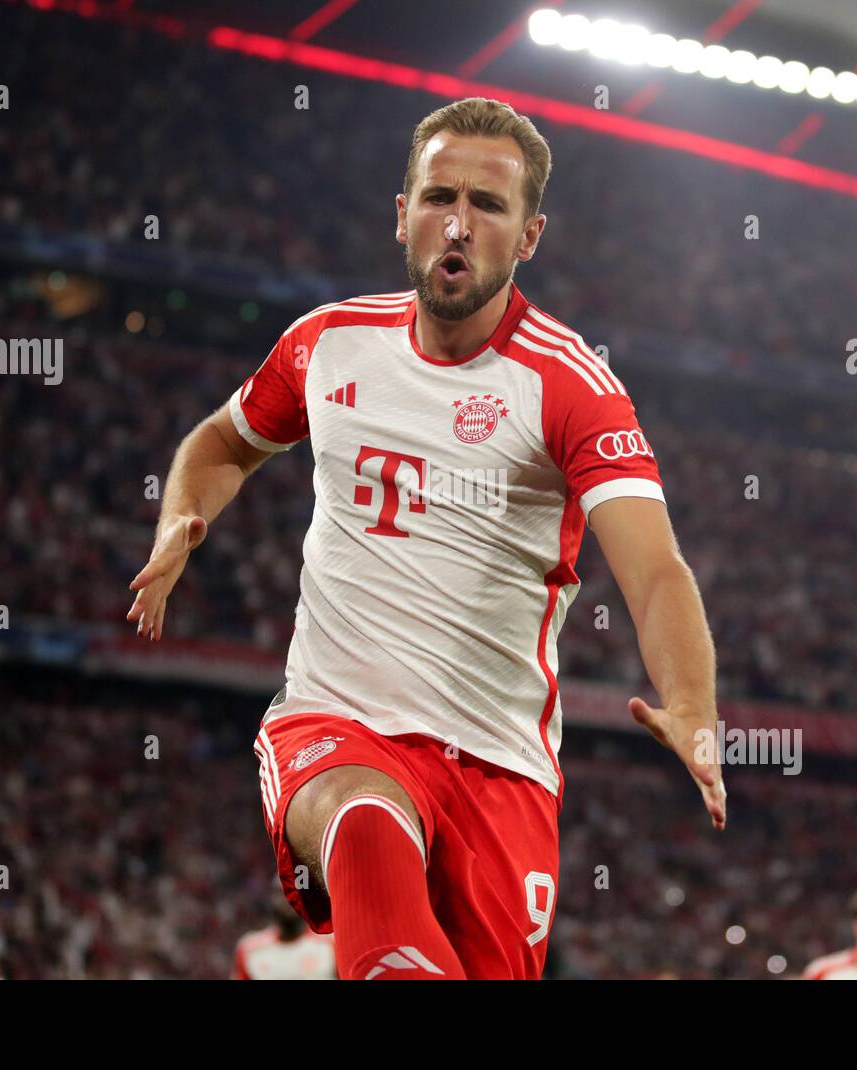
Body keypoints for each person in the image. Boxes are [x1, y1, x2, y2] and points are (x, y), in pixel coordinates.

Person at [128, 96, 725, 980]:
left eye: (488, 205)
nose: (459, 221)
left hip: (499, 769)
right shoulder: (327, 346)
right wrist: (185, 516)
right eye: (439, 195)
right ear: (402, 215)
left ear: (528, 237)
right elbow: (223, 441)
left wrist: (692, 705)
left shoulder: (571, 387)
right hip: (337, 723)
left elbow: (656, 573)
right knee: (365, 821)